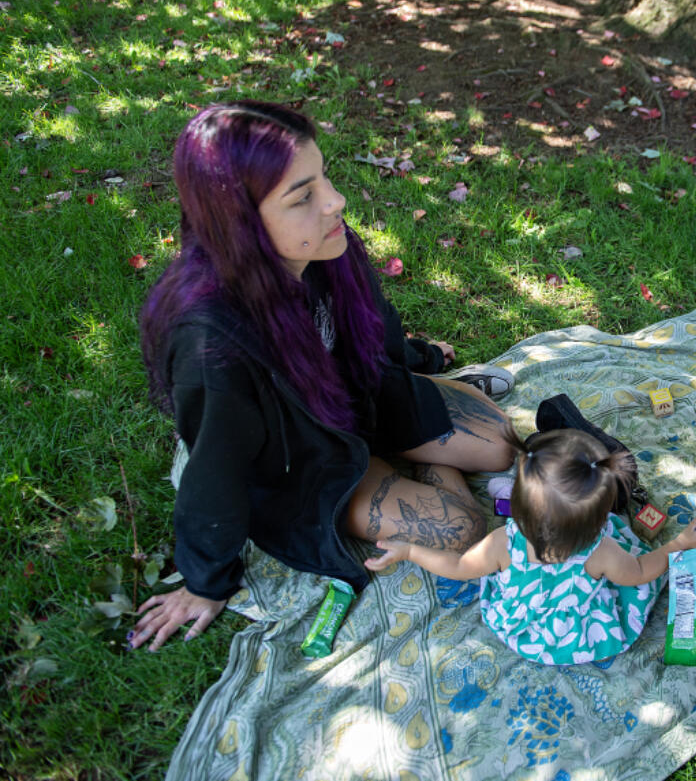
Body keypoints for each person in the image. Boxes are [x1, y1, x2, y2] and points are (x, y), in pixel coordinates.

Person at [128, 101, 517, 652]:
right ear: (241, 221)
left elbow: (369, 331)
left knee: (501, 444)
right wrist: (204, 582)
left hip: (360, 401)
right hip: (302, 460)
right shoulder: (213, 341)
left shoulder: (323, 243)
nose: (335, 201)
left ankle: (404, 454)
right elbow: (217, 469)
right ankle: (395, 463)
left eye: (323, 178)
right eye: (302, 196)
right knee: (459, 529)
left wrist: (419, 360)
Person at [364, 427, 696, 665]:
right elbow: (640, 573)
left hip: (523, 630)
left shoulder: (504, 542)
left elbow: (457, 568)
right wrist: (679, 544)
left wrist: (410, 551)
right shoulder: (602, 552)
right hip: (580, 634)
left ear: (517, 505)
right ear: (598, 524)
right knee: (641, 582)